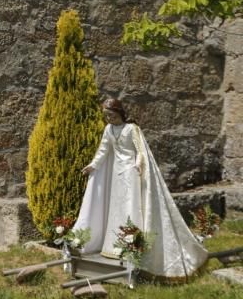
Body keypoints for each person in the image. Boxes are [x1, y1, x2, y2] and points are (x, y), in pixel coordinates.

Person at [75, 98, 207, 278]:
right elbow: (103, 150)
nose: (109, 119)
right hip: (116, 174)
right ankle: (113, 245)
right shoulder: (108, 130)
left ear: (120, 113)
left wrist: (138, 164)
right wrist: (94, 165)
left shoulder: (132, 129)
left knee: (130, 206)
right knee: (116, 208)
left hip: (130, 172)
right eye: (106, 116)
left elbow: (140, 151)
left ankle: (132, 243)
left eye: (112, 115)